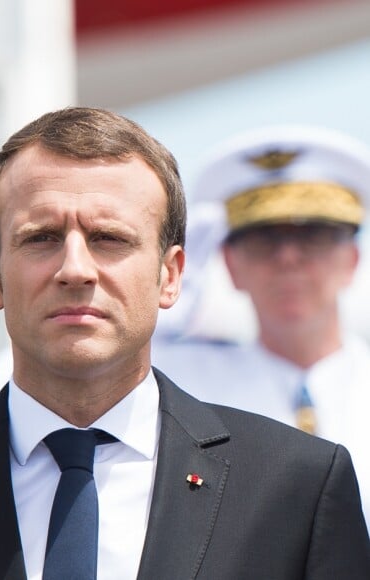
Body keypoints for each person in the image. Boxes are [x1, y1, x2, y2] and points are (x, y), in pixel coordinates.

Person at [0, 108, 369, 579]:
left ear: (170, 275)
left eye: (109, 239)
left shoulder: (297, 489)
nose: (75, 269)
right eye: (41, 238)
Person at [151, 125, 370, 522]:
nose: (288, 259)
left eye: (313, 237)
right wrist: (137, 337)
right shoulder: (183, 387)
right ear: (231, 266)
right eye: (263, 240)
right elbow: (26, 393)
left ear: (352, 260)